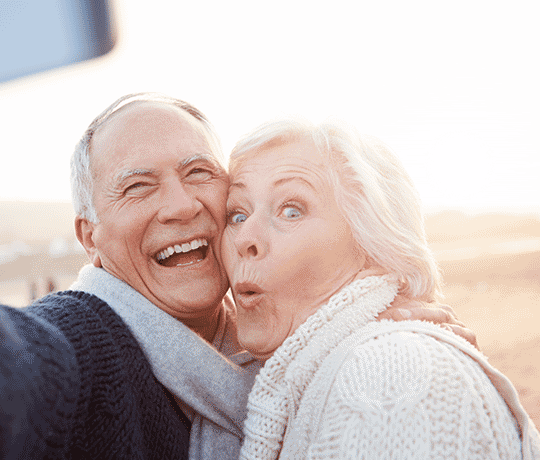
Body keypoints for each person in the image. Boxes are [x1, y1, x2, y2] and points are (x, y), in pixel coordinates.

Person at [0, 93, 475, 459]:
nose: (181, 203)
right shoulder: (87, 348)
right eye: (137, 187)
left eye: (199, 173)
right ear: (89, 238)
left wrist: (361, 322)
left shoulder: (287, 354)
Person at [219, 118, 540, 459]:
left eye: (291, 211)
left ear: (374, 245)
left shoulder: (388, 376)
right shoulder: (305, 381)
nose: (245, 238)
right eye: (237, 214)